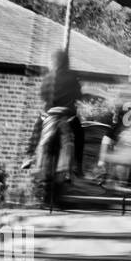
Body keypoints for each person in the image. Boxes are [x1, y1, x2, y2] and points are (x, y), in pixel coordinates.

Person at [35, 48, 83, 192]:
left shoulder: (48, 77)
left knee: (37, 131)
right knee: (80, 135)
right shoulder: (73, 78)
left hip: (50, 114)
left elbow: (42, 95)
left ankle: (32, 157)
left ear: (54, 62)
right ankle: (75, 166)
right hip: (67, 115)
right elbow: (78, 95)